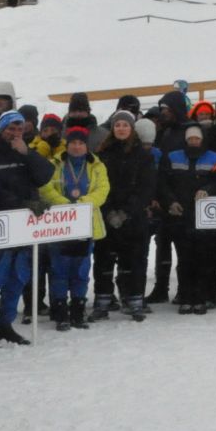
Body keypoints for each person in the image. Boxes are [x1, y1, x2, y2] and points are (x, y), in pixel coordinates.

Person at [0, 111, 53, 348]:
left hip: (24, 227)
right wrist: (21, 204)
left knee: (18, 279)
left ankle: (5, 324)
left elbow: (45, 176)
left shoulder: (26, 152)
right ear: (1, 129)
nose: (15, 133)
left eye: (19, 129)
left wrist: (28, 154)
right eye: (11, 129)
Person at [39, 125, 109, 329]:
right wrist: (64, 205)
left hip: (85, 222)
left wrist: (84, 203)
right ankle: (60, 311)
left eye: (81, 143)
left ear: (87, 146)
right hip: (60, 223)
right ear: (66, 145)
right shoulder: (55, 164)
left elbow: (103, 189)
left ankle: (78, 310)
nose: (77, 147)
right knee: (60, 269)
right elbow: (45, 187)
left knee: (81, 269)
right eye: (73, 143)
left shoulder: (97, 165)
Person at [96, 117, 160, 321]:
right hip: (107, 215)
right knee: (104, 261)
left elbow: (146, 187)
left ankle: (134, 300)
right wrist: (108, 211)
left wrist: (126, 211)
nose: (121, 129)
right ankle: (102, 301)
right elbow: (98, 184)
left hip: (133, 216)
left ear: (132, 129)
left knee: (134, 261)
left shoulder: (143, 155)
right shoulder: (102, 153)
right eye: (117, 125)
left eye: (125, 125)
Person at [161, 123, 216, 314]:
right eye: (190, 138)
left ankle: (202, 296)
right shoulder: (173, 157)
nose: (194, 141)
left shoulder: (215, 158)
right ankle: (186, 295)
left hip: (205, 216)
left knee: (204, 258)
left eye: (197, 138)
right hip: (180, 215)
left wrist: (208, 190)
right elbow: (163, 182)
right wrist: (170, 201)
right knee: (184, 258)